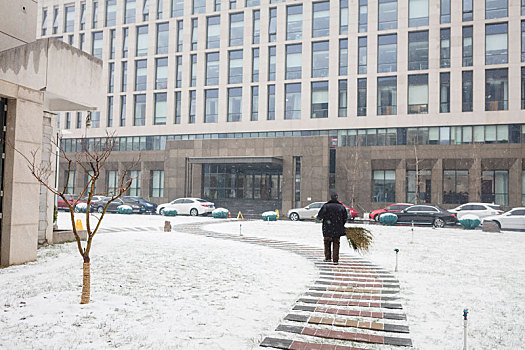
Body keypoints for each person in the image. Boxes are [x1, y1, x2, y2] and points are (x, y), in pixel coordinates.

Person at [316, 192, 348, 265]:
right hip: (337, 229)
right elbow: (345, 218)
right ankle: (335, 260)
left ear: (330, 198)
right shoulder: (341, 207)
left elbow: (319, 216)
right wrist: (341, 224)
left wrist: (319, 218)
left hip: (327, 228)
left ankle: (327, 258)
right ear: (337, 198)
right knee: (336, 243)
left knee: (327, 243)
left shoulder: (326, 206)